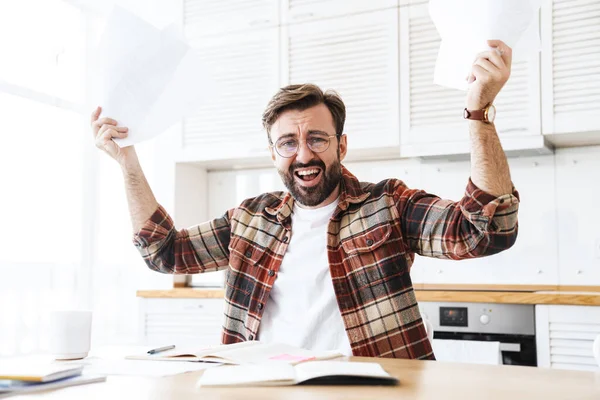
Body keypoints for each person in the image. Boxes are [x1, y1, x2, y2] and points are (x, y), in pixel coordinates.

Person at [91, 40, 519, 360]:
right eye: (288, 143)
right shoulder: (249, 219)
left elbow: (486, 231)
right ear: (273, 153)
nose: (304, 154)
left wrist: (479, 112)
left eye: (317, 138)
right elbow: (164, 252)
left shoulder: (387, 204)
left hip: (372, 390)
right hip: (268, 389)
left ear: (342, 146)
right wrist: (127, 162)